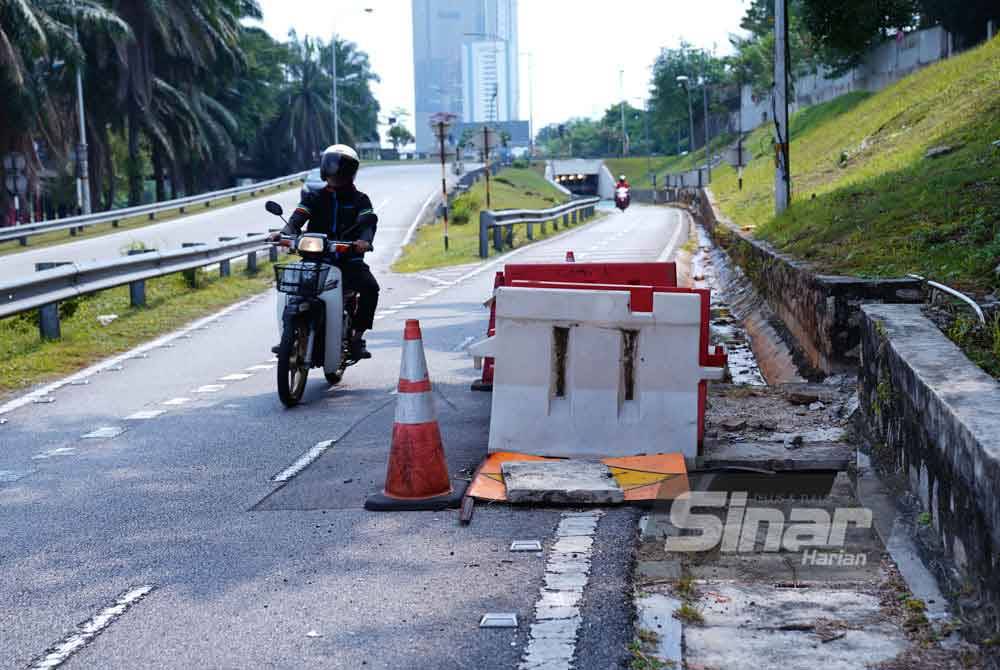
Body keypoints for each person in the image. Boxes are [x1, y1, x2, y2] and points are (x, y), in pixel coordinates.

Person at [271, 144, 379, 360]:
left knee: (370, 288)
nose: (336, 171)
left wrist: (364, 242)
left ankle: (357, 337)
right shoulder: (314, 197)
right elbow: (296, 219)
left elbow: (368, 224)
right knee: (292, 289)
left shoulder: (360, 200)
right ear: (324, 168)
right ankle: (288, 336)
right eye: (332, 165)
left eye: (342, 167)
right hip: (314, 260)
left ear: (351, 171)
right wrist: (283, 234)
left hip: (349, 260)